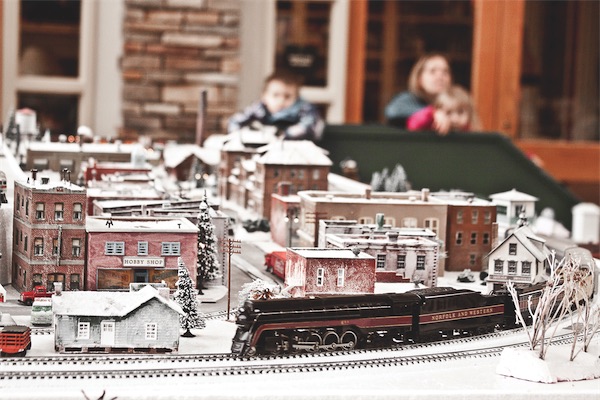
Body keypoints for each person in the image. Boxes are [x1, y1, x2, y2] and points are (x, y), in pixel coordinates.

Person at [228, 71, 324, 141]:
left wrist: (282, 134)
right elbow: (235, 121)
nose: (281, 101)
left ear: (297, 98)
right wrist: (240, 137)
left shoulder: (304, 108)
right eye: (275, 95)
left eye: (287, 96)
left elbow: (309, 128)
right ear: (264, 96)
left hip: (295, 150)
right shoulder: (258, 108)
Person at [384, 53, 452, 127]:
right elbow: (392, 111)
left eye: (445, 72)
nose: (440, 77)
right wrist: (432, 113)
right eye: (432, 71)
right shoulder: (408, 99)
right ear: (419, 79)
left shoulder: (454, 102)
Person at [407, 85, 479, 135]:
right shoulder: (433, 126)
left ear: (470, 113)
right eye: (448, 113)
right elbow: (413, 124)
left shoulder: (470, 132)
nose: (455, 118)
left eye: (460, 112)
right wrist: (433, 113)